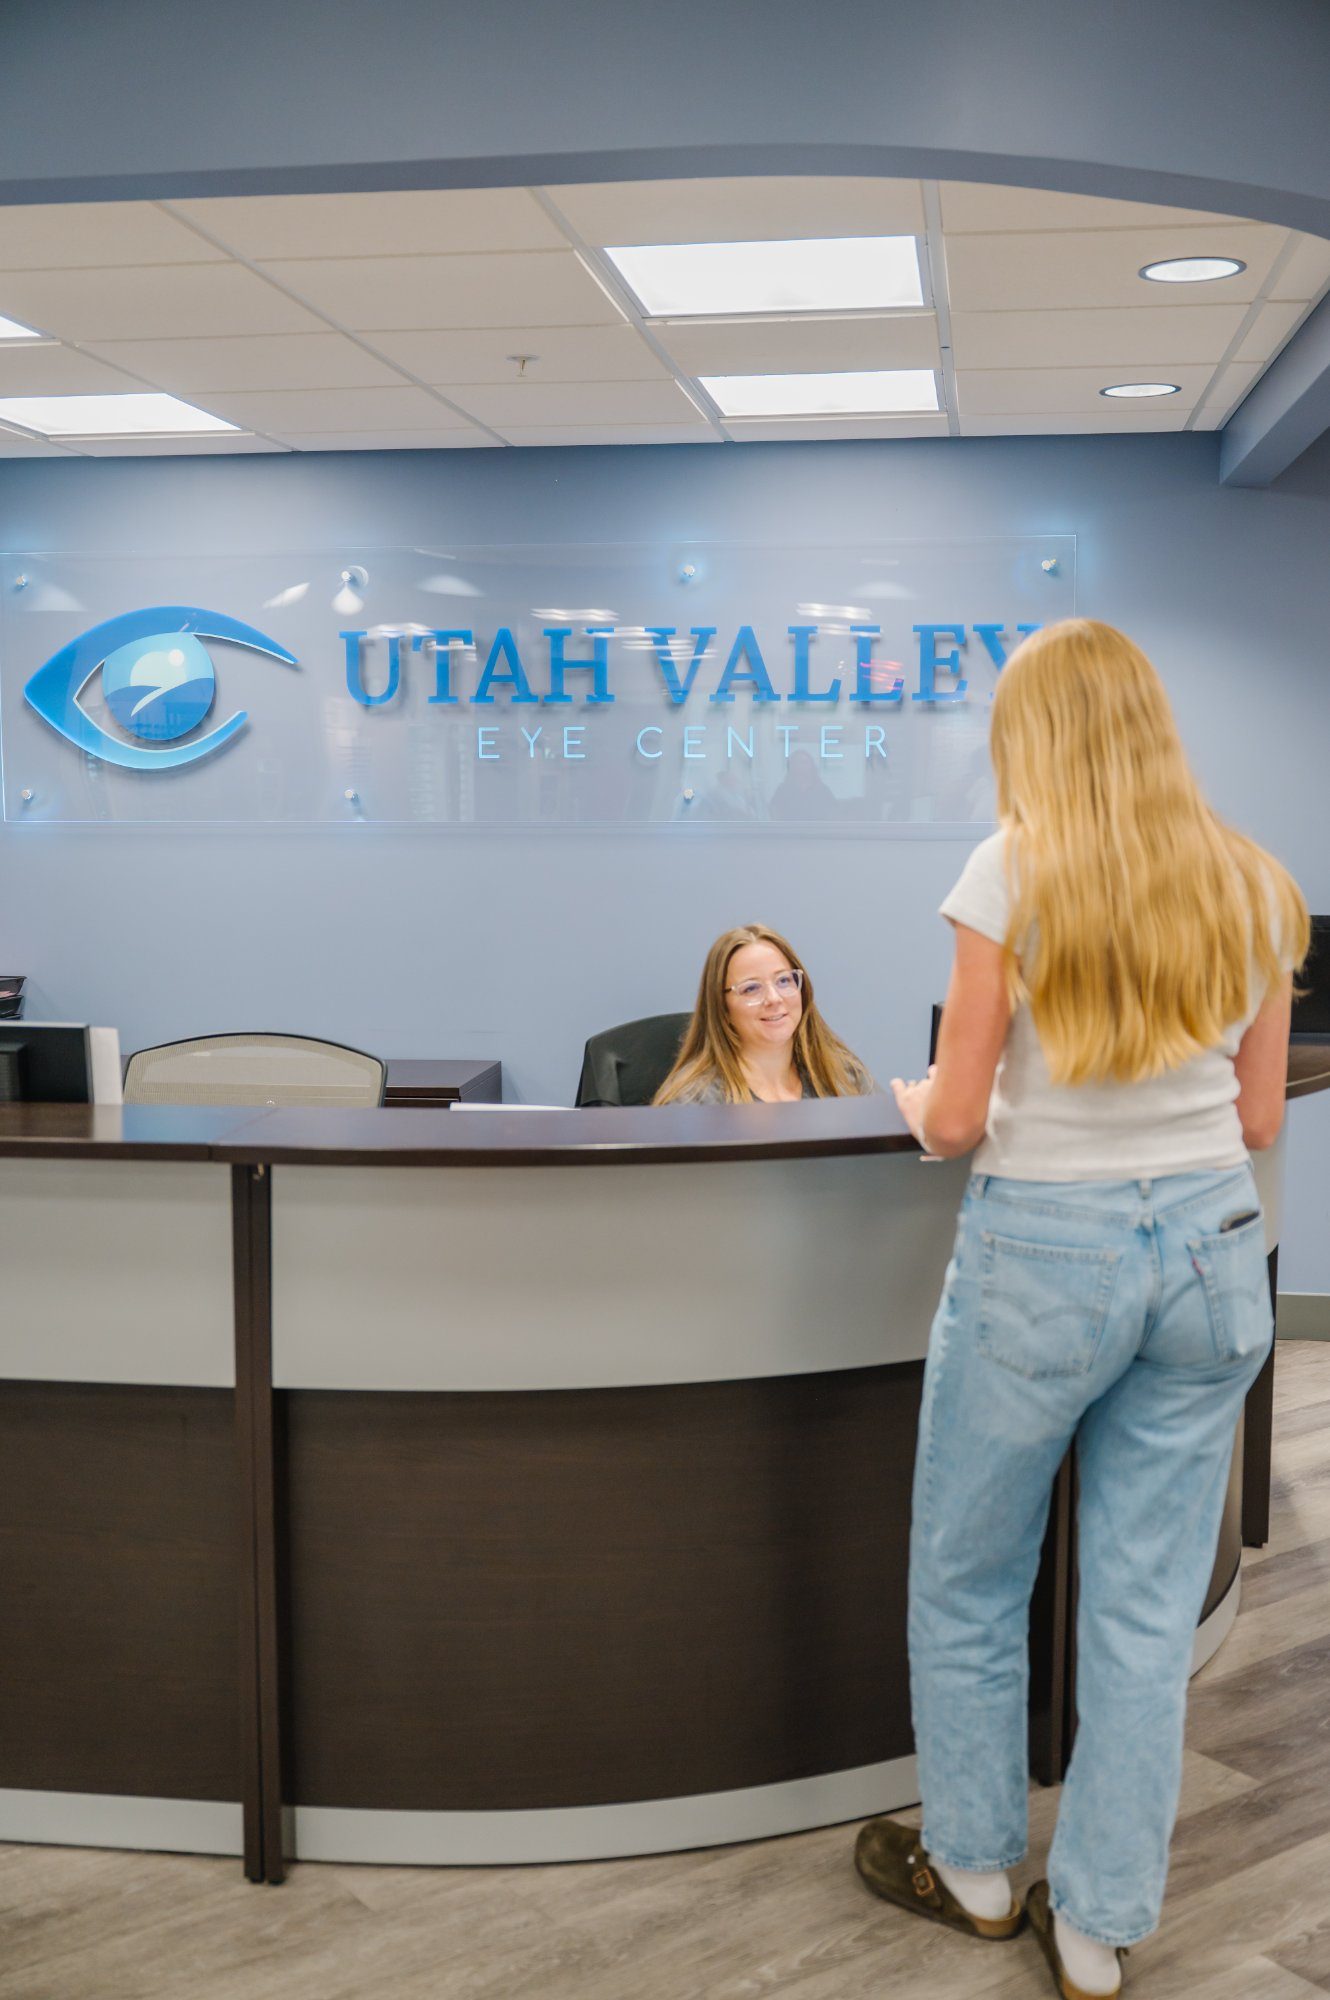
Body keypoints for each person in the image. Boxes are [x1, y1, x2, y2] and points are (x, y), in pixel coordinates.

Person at [853, 619, 1307, 1998]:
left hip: (1043, 1257)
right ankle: (1099, 1930)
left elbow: (947, 1120)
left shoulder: (1010, 868)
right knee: (1139, 1610)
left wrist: (904, 1099)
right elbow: (1256, 1111)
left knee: (971, 1574)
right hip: (1211, 1253)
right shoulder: (1251, 882)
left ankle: (979, 1871)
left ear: (1032, 735)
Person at [653, 923, 873, 1104]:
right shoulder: (693, 1105)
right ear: (722, 1008)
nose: (774, 999)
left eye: (784, 980)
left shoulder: (842, 1077)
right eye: (751, 988)